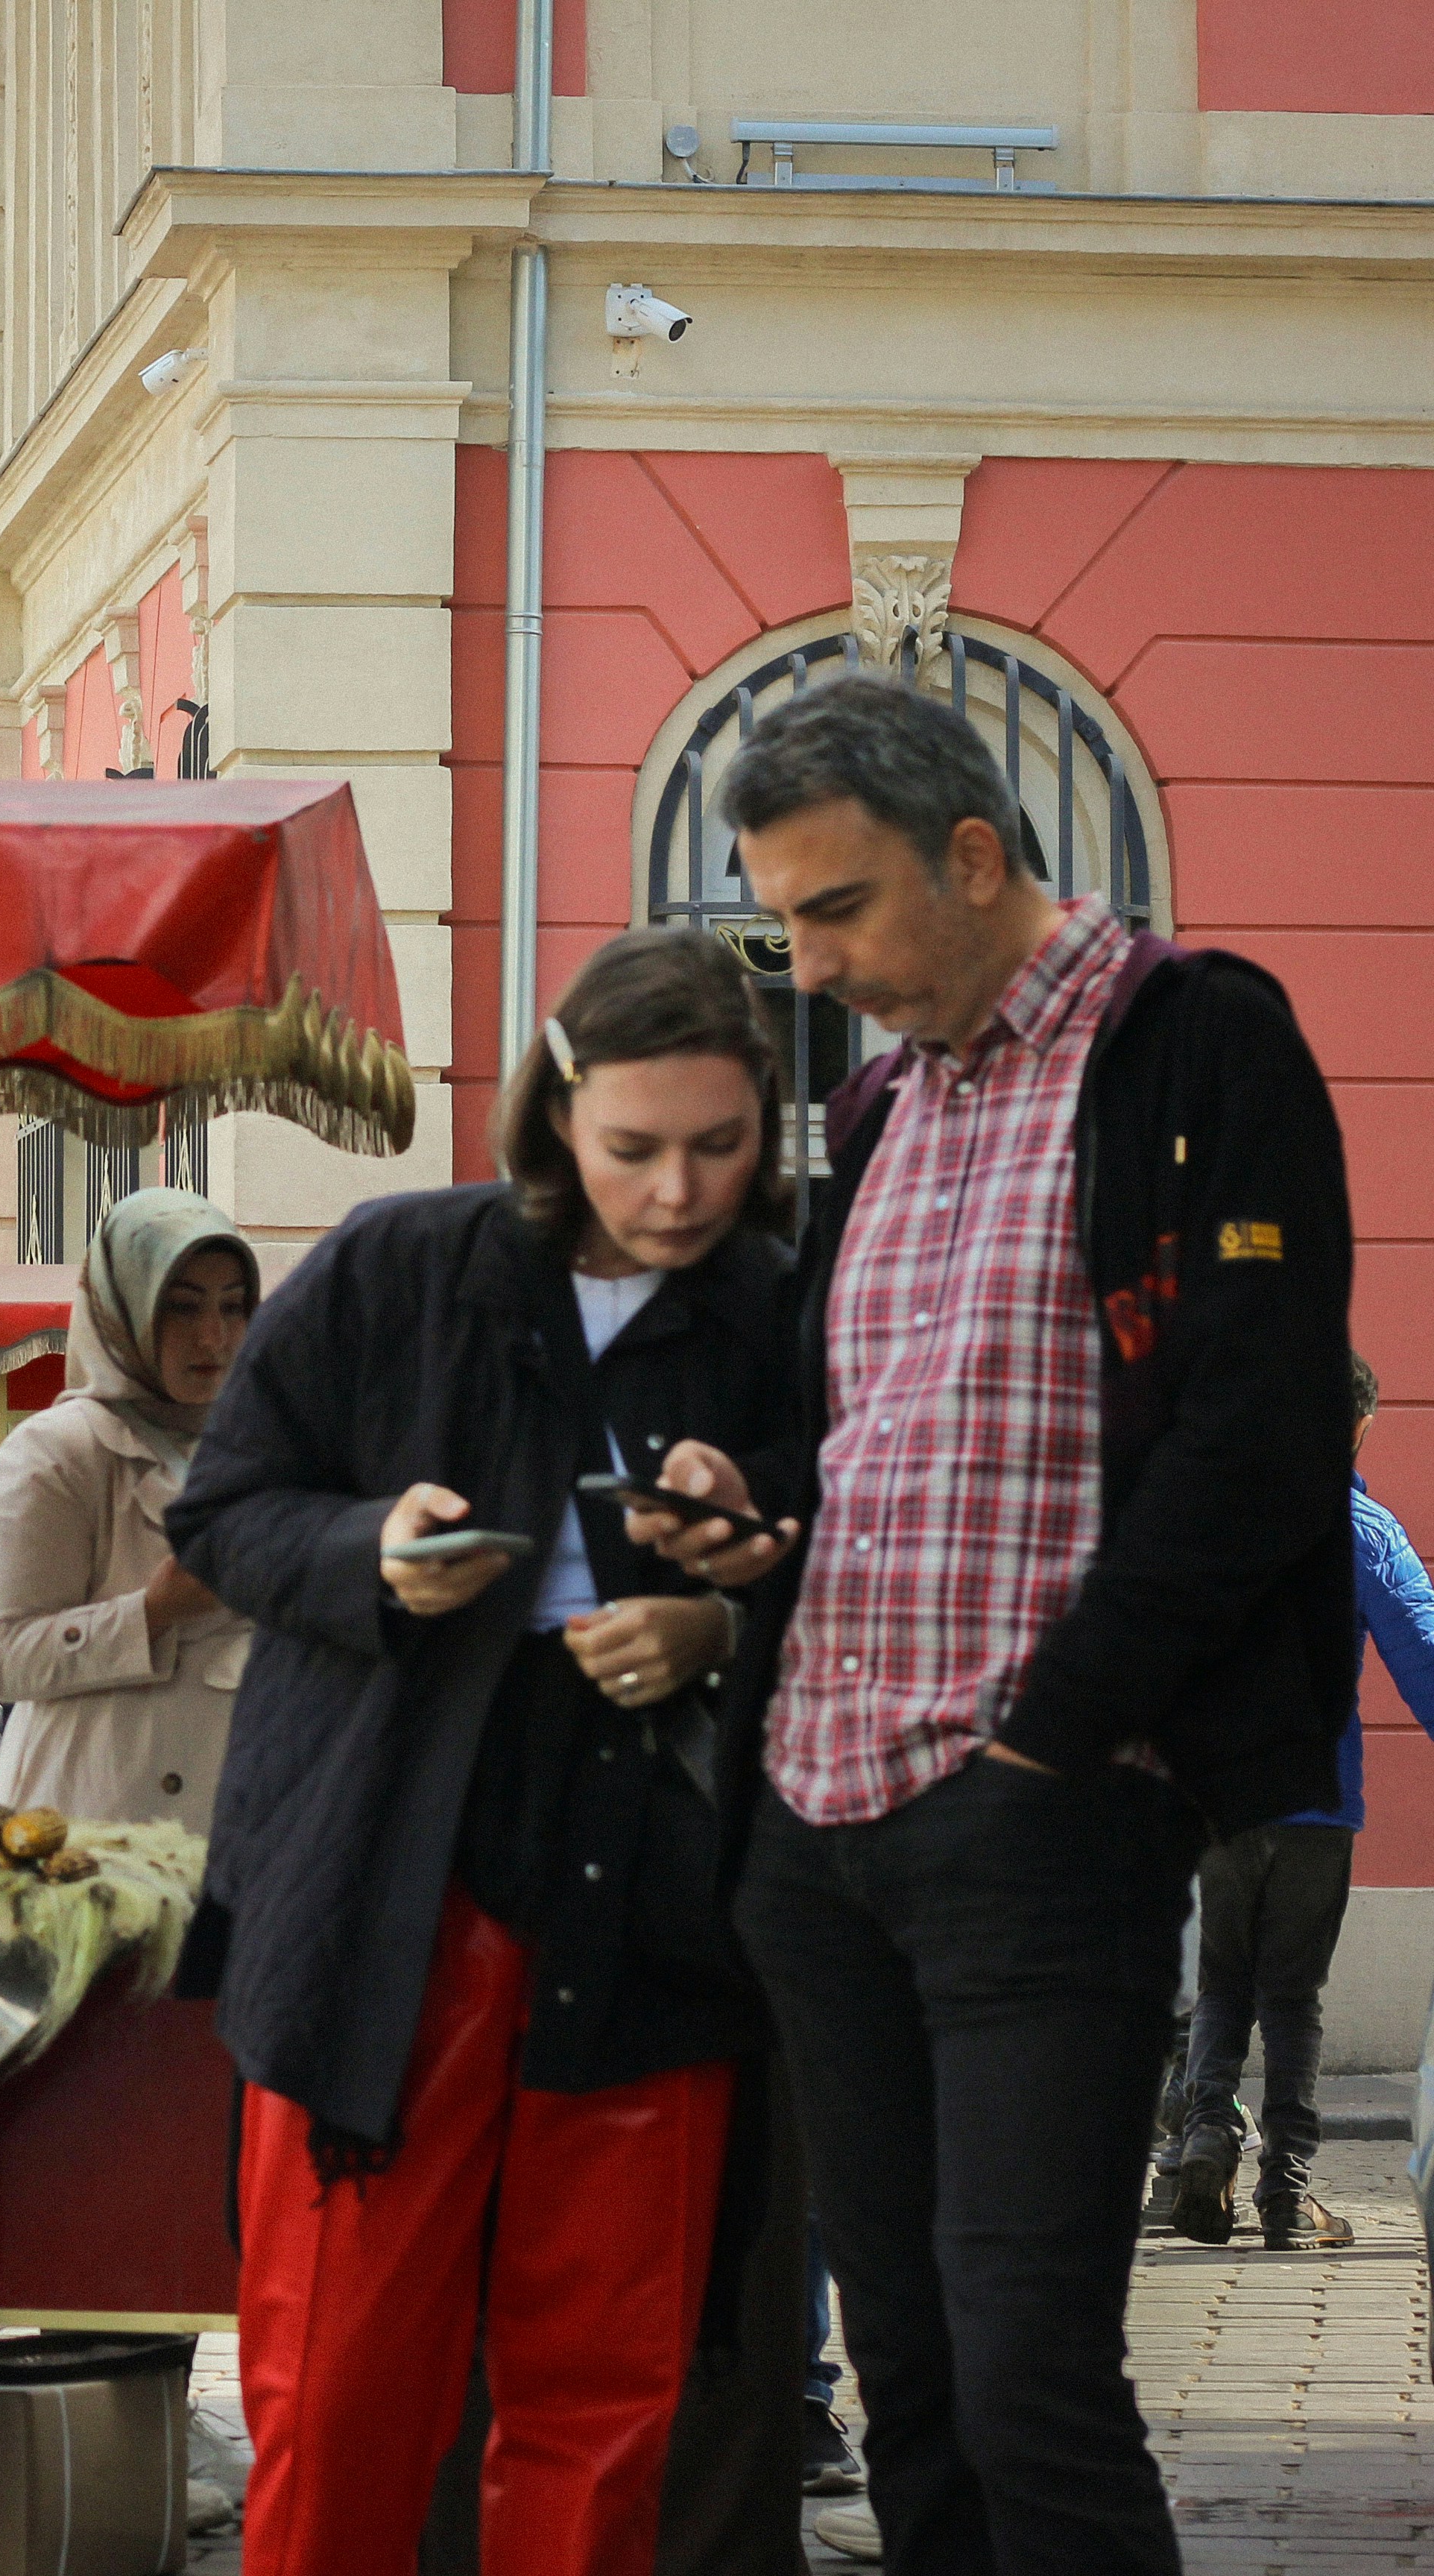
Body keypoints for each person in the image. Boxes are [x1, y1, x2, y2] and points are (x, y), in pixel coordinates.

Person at [634, 673, 1354, 2576]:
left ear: (971, 854)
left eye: (835, 908)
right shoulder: (874, 1108)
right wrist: (741, 1497)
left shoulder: (1191, 1043)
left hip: (1036, 1809)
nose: (805, 960)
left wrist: (1051, 1737)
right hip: (818, 1819)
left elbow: (1260, 1433)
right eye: (779, 916)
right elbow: (844, 1435)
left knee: (1028, 2359)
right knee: (910, 2365)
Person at [167, 926, 800, 2576]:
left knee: (607, 2400)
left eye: (720, 1147)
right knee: (342, 2380)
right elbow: (224, 1509)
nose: (676, 1191)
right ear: (559, 1110)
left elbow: (858, 1561)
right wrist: (372, 1553)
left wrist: (728, 1612)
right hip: (386, 1874)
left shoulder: (780, 1312)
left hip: (647, 1893)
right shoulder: (401, 1266)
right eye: (636, 1147)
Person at [1168, 1351, 1434, 2252]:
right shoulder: (1366, 1531)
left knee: (1221, 1985)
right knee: (1293, 1999)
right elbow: (1425, 1658)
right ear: (1358, 1429)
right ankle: (1285, 2195)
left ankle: (1206, 2136)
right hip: (1319, 1806)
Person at [0, 1190, 260, 1831]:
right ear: (125, 1312)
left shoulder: (263, 1448)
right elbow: (5, 1657)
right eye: (181, 1308)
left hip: (240, 1823)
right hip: (97, 1822)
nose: (212, 1336)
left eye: (232, 1306)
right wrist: (154, 1613)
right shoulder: (58, 1453)